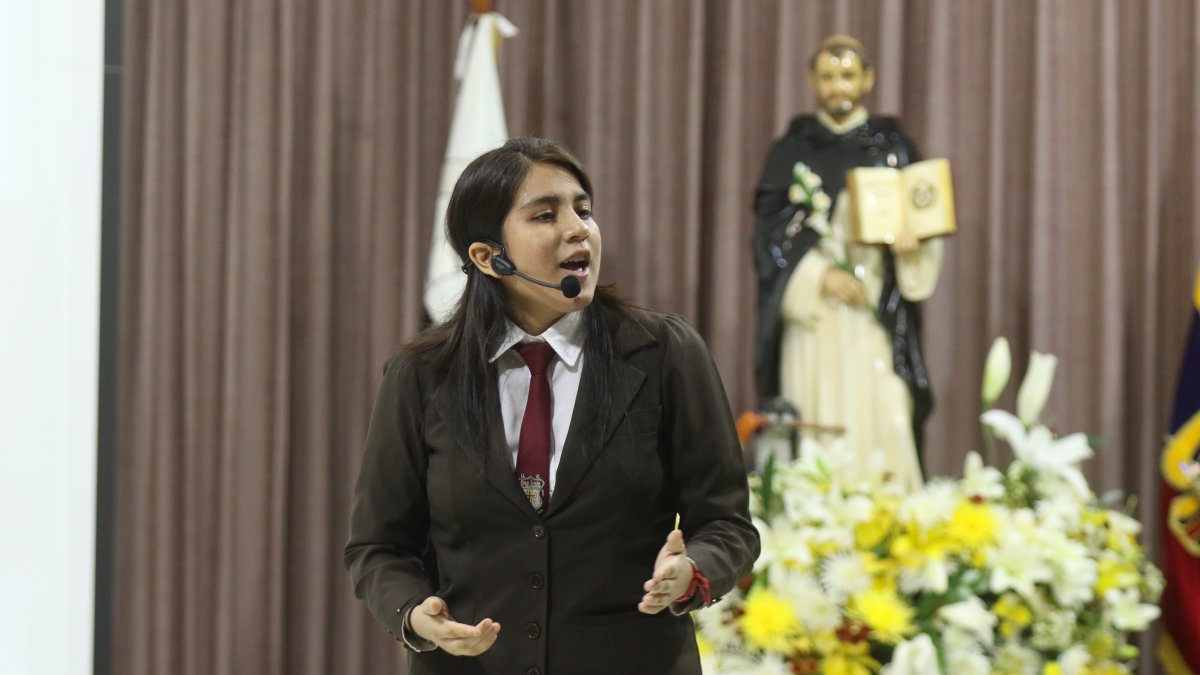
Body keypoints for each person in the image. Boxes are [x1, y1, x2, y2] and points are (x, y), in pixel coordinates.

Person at [345, 137, 759, 675]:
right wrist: (413, 613)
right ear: (488, 256)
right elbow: (378, 546)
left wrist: (694, 569)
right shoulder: (423, 375)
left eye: (583, 210)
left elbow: (729, 526)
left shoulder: (665, 354)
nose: (578, 228)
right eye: (546, 215)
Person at [751, 35, 943, 490]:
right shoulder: (791, 151)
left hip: (874, 308)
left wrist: (912, 244)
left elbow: (922, 218)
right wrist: (818, 275)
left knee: (888, 414)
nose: (839, 85)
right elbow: (770, 235)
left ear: (867, 80)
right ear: (813, 82)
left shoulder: (893, 148)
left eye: (848, 75)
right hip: (815, 316)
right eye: (829, 76)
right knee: (820, 413)